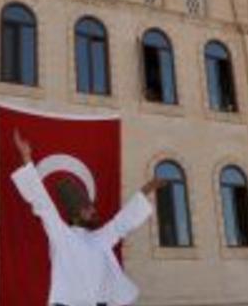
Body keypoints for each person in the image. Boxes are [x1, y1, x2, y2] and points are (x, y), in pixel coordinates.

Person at [11, 130, 166, 306]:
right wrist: (26, 158)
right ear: (77, 214)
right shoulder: (62, 235)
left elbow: (121, 222)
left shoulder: (99, 238)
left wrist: (148, 188)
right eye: (88, 208)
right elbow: (43, 204)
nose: (94, 211)